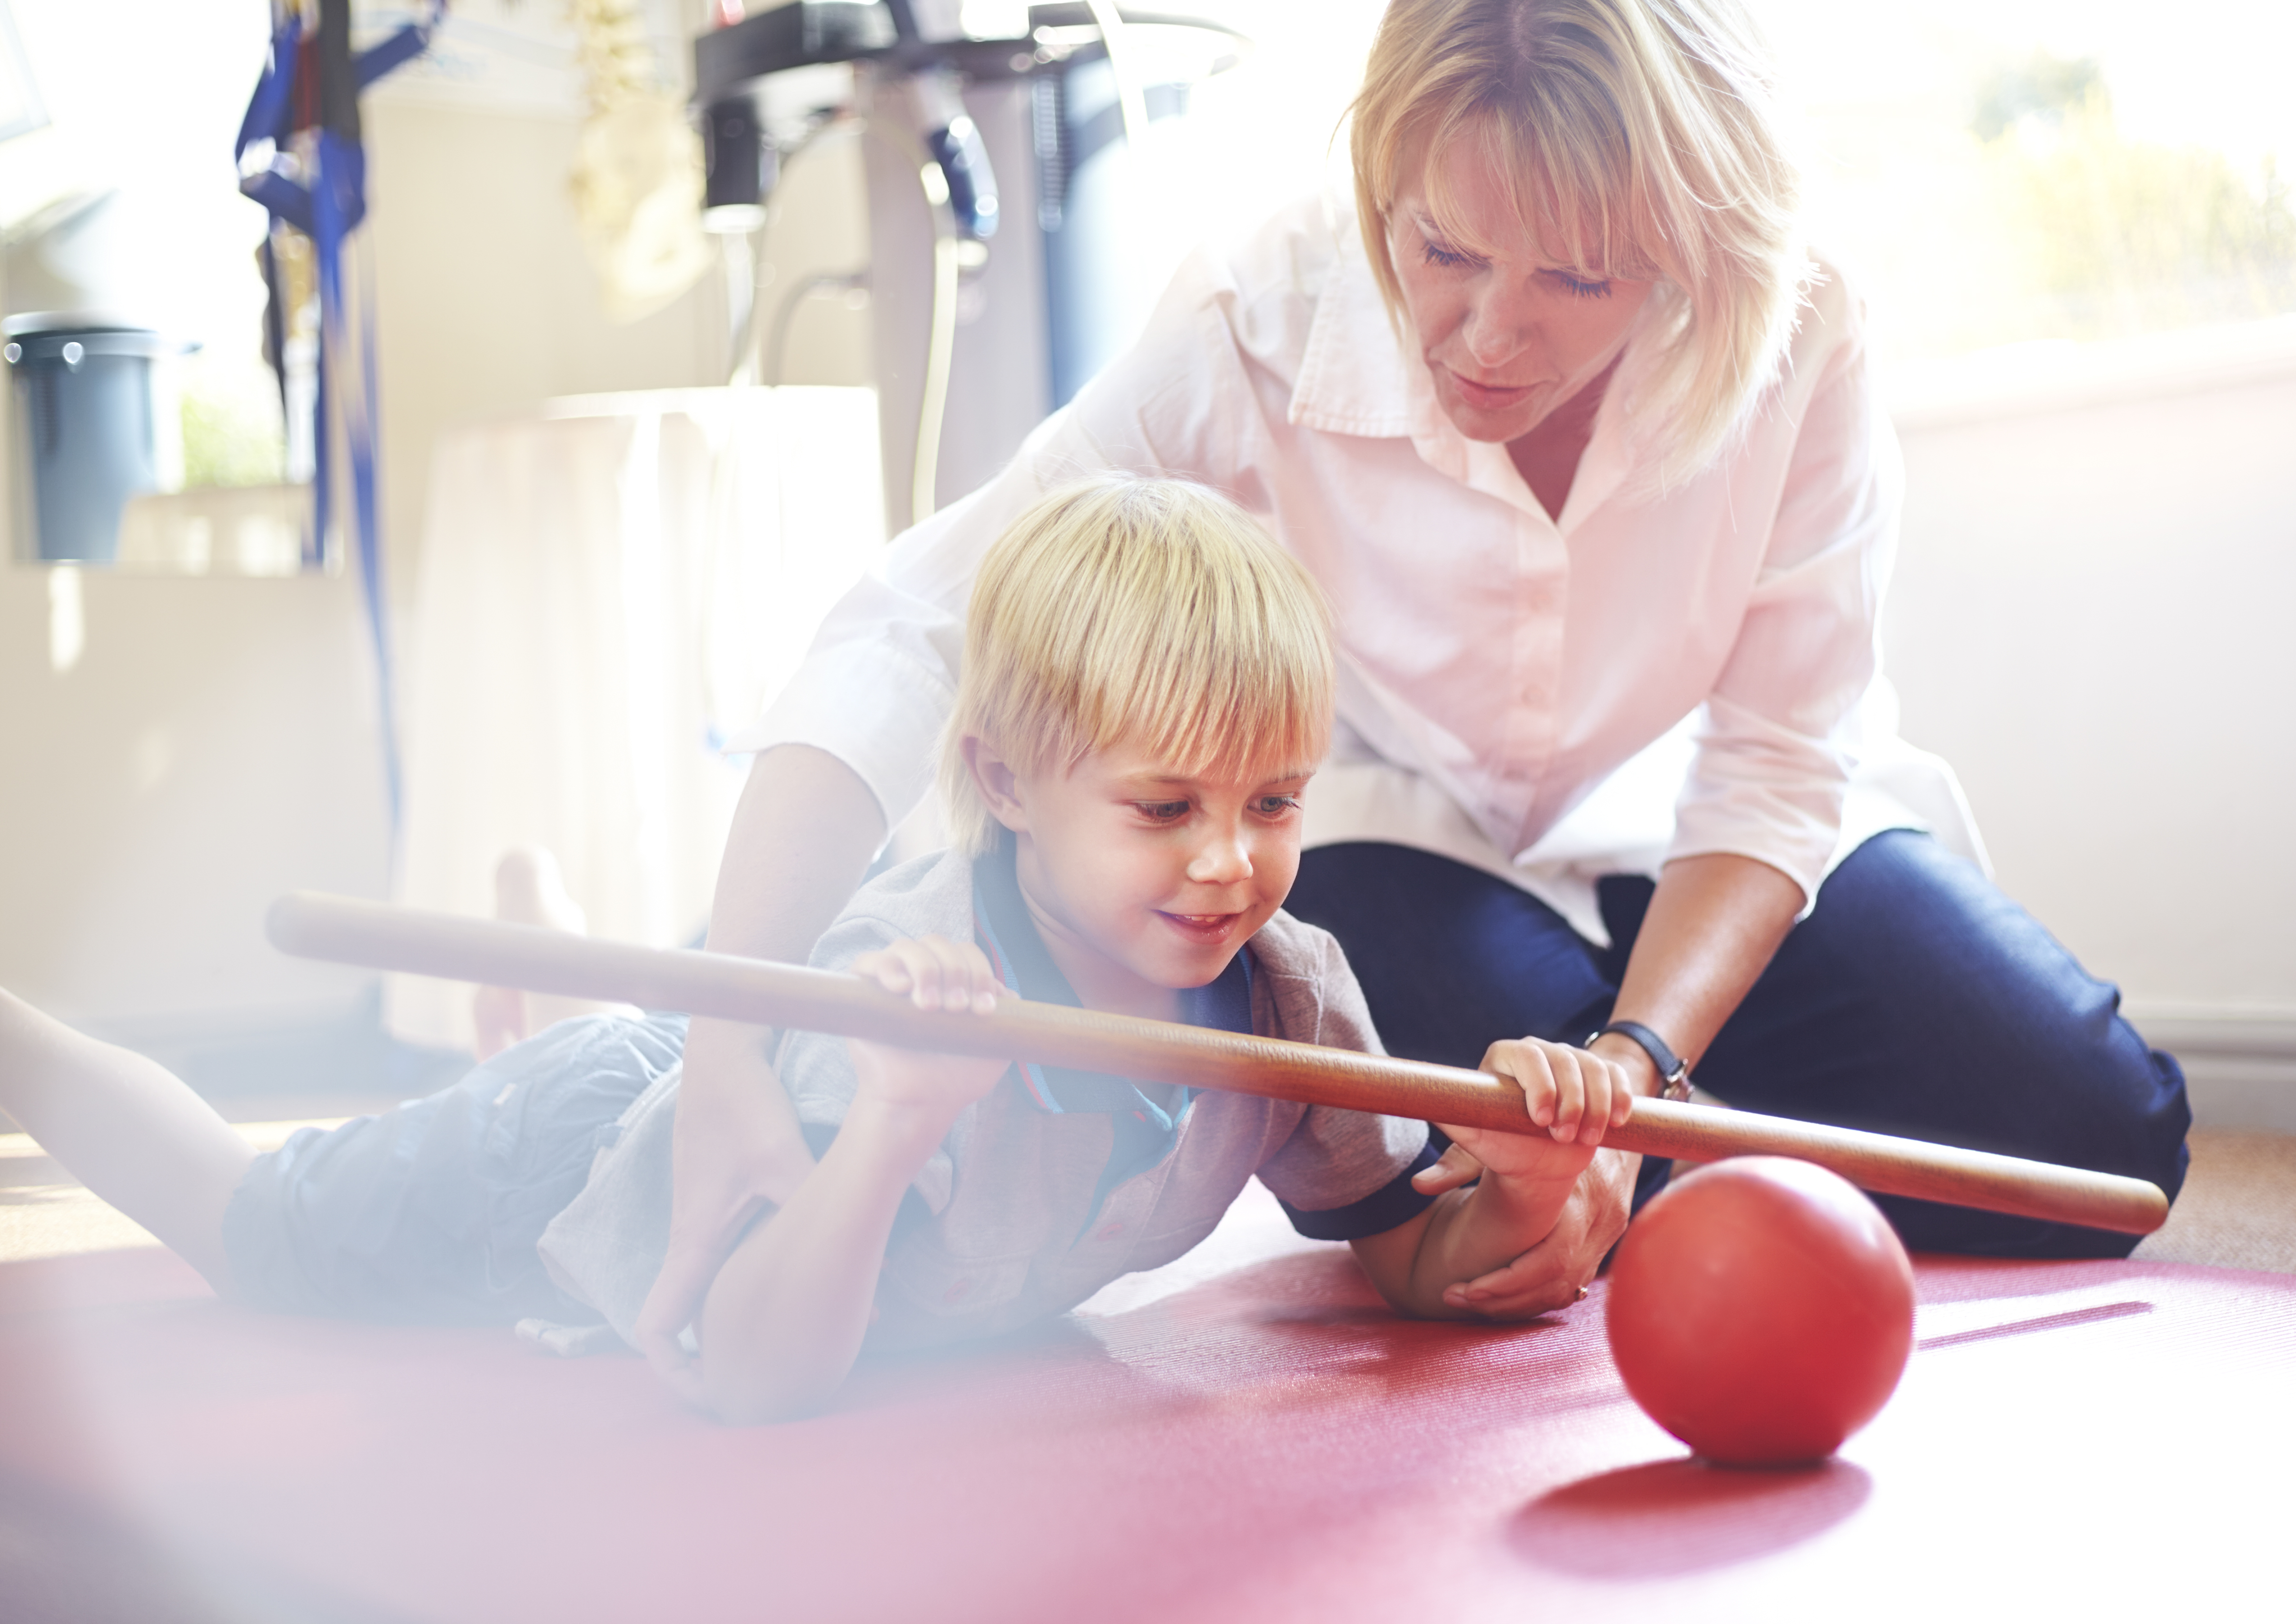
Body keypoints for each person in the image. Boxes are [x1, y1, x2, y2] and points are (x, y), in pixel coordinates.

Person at [640, 0, 2192, 1387]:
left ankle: (1653, 1133)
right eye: (1443, 251)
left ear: (1689, 242)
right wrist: (728, 1041)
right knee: (1485, 1151)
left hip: (1699, 824)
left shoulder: (1798, 319)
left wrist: (1635, 1076)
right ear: (1385, 174)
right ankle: (1624, 1143)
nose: (1492, 334)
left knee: (2098, 1133)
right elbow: (916, 626)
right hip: (1402, 845)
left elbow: (1779, 757)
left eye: (1580, 274)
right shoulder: (1259, 307)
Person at [0, 477, 1645, 1424]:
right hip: (574, 1159)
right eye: (1164, 808)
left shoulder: (1287, 990)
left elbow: (1401, 1257)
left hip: (699, 1076)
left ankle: (547, 967)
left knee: (616, 1056)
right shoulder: (894, 988)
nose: (1231, 862)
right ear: (1005, 782)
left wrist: (1520, 1188)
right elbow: (756, 1378)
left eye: (1274, 801)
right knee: (253, 1229)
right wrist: (893, 1127)